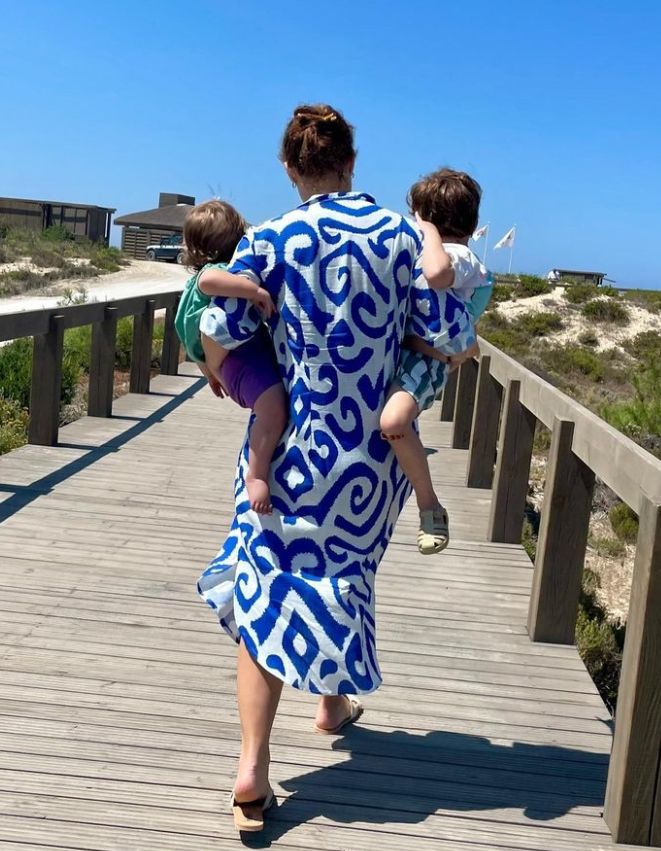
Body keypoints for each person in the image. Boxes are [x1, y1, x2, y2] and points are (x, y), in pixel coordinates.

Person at [196, 105, 476, 833]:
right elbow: (450, 331)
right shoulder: (399, 234)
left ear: (290, 169)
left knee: (266, 591)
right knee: (340, 577)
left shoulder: (273, 237)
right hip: (366, 461)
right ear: (352, 162)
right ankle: (330, 703)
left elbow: (220, 327)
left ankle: (252, 772)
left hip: (288, 446)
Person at [380, 169, 493, 555]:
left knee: (394, 422)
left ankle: (430, 507)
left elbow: (438, 274)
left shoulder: (459, 257)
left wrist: (427, 233)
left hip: (424, 361)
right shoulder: (434, 251)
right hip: (414, 351)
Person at [174, 199, 288, 513]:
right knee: (273, 408)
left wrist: (208, 373)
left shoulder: (218, 274)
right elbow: (208, 282)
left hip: (231, 357)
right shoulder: (217, 273)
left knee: (274, 405)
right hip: (237, 359)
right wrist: (255, 291)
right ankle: (256, 474)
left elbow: (187, 332)